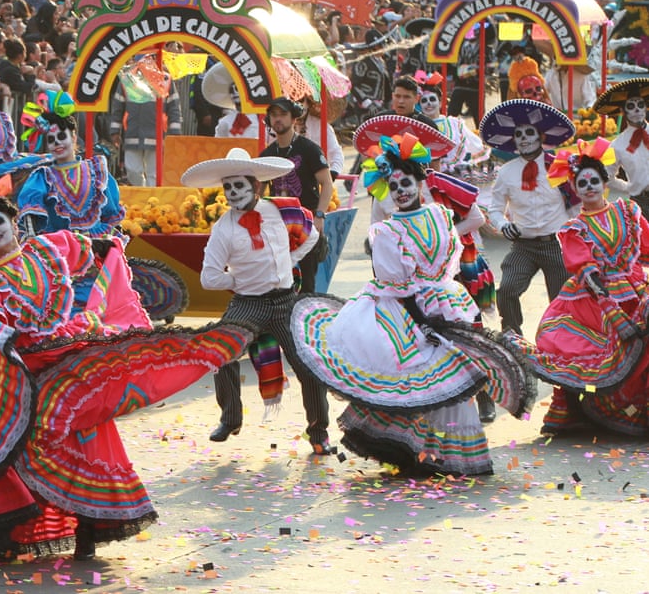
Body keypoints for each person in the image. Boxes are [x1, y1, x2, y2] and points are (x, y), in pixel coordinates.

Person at [0, 191, 253, 563]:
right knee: (9, 449)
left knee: (89, 436)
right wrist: (3, 336)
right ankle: (6, 534)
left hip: (63, 361)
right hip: (13, 372)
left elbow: (86, 247)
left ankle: (89, 529)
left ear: (15, 223)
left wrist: (108, 246)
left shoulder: (45, 249)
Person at [290, 134, 516, 477]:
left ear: (421, 181)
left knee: (452, 383)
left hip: (449, 304)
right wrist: (424, 322)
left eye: (406, 183)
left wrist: (440, 312)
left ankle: (452, 454)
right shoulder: (386, 232)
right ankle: (419, 452)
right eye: (394, 186)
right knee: (418, 382)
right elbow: (400, 286)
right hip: (409, 313)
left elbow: (458, 242)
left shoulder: (441, 214)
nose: (401, 191)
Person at [183, 147, 331, 451]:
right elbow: (209, 278)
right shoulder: (223, 228)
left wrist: (290, 260)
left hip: (286, 302)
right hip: (248, 303)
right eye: (228, 187)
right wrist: (241, 279)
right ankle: (231, 418)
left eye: (239, 185)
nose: (233, 192)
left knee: (309, 367)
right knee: (221, 352)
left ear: (257, 185)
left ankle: (319, 435)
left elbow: (311, 236)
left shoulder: (282, 209)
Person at [529, 138, 649, 436]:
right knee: (573, 344)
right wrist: (611, 310)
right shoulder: (574, 229)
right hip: (593, 297)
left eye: (594, 180)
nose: (590, 187)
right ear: (575, 190)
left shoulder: (628, 212)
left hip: (634, 288)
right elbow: (586, 271)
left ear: (605, 181)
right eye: (582, 184)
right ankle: (589, 407)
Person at [481, 99, 578, 335]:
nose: (524, 138)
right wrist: (503, 225)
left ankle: (561, 343)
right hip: (523, 245)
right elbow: (494, 209)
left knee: (562, 300)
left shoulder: (558, 166)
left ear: (540, 137)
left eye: (529, 133)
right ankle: (512, 336)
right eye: (519, 134)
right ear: (514, 140)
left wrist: (580, 238)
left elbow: (576, 206)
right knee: (507, 290)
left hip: (556, 244)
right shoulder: (506, 171)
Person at [260, 96, 334, 290]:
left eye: (283, 115)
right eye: (273, 115)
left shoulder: (308, 149)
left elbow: (327, 183)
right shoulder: (266, 155)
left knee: (307, 281)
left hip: (306, 223)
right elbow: (258, 192)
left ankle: (304, 317)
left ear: (294, 119)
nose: (278, 119)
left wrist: (319, 215)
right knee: (278, 281)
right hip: (277, 225)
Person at [109, 60, 183, 186]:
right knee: (132, 170)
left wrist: (175, 133)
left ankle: (151, 201)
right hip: (132, 133)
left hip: (157, 135)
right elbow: (118, 106)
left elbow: (174, 108)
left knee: (153, 174)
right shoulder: (127, 79)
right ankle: (141, 193)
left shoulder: (165, 79)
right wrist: (115, 131)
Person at [597, 79, 649, 214]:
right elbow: (606, 176)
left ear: (646, 107)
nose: (637, 109)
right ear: (623, 111)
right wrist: (629, 187)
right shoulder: (617, 145)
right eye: (631, 106)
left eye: (640, 104)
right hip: (641, 202)